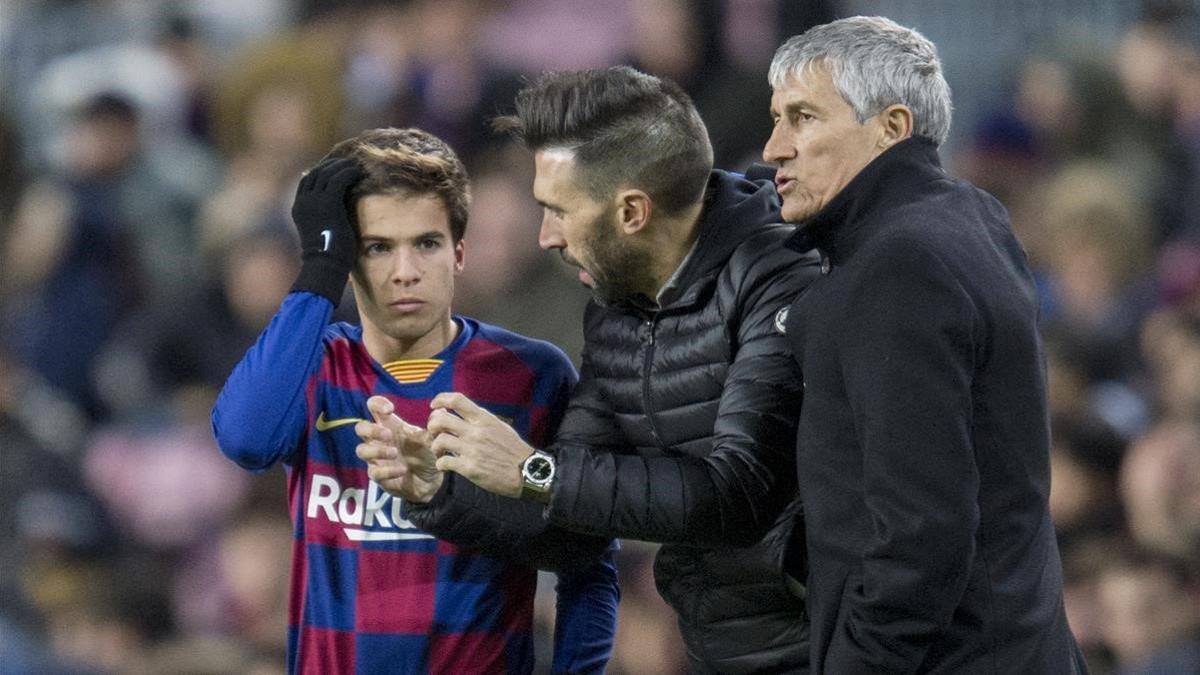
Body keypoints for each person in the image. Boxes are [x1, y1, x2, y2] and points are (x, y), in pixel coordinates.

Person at [355, 66, 819, 673]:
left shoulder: (783, 279)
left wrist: (531, 468)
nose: (545, 236)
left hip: (829, 648)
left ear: (631, 212)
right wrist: (439, 493)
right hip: (721, 650)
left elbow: (734, 496)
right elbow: (575, 530)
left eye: (558, 210)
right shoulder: (617, 308)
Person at [210, 127, 618, 674]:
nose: (405, 272)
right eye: (378, 248)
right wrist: (319, 270)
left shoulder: (533, 375)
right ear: (351, 259)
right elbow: (245, 439)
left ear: (459, 253)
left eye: (426, 243)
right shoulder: (312, 364)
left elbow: (589, 562)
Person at [762, 16, 1087, 672]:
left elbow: (921, 535)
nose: (774, 147)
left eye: (802, 118)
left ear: (891, 127)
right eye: (776, 119)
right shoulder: (973, 218)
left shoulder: (897, 264)